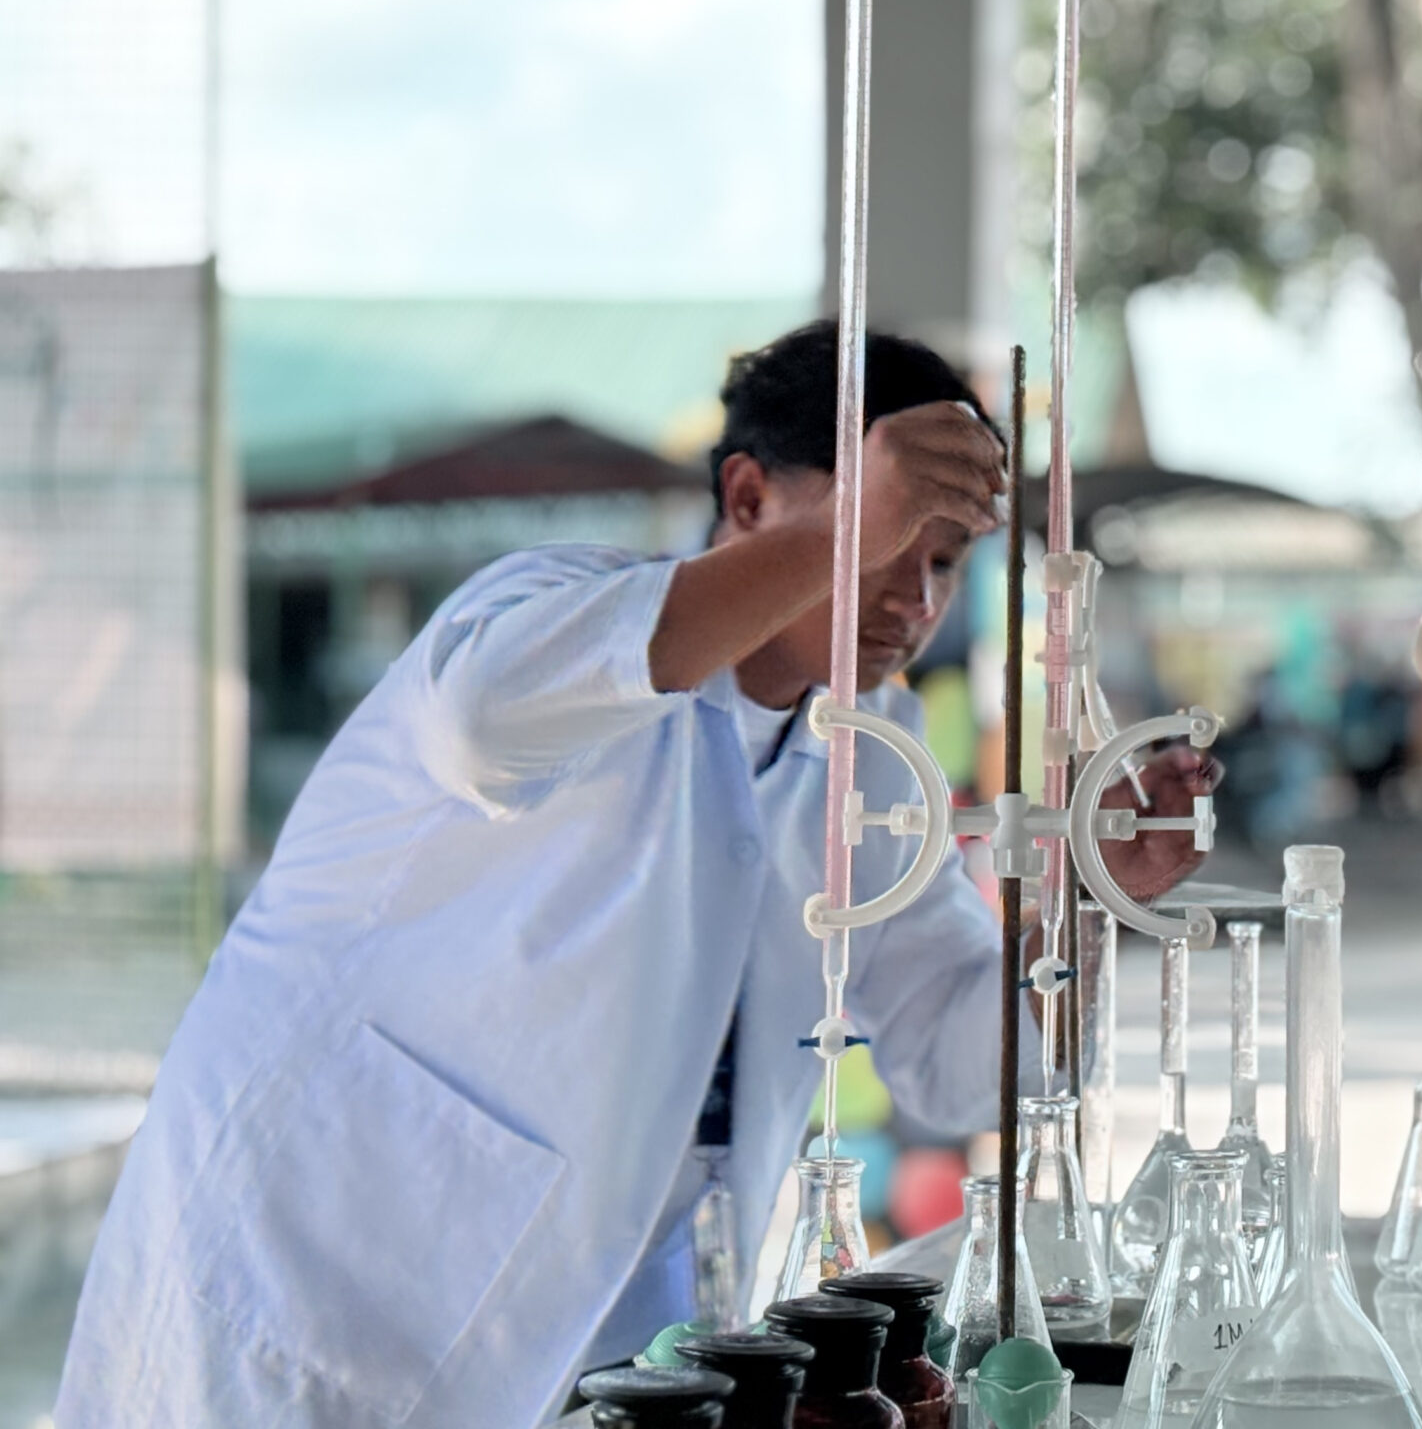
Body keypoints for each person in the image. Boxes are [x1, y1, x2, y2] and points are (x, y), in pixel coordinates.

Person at [56, 323, 1213, 1429]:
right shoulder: (548, 609)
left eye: (945, 561)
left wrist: (1089, 893)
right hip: (300, 1303)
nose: (915, 598)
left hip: (600, 1347)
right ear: (749, 499)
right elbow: (481, 720)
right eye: (883, 539)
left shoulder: (871, 755)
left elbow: (959, 1065)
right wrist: (847, 527)